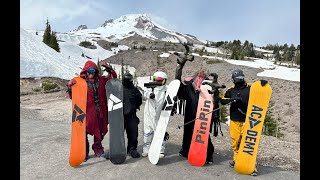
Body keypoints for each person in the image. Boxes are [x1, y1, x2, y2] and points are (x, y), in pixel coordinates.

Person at [174, 49, 220, 164]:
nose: (199, 79)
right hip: (190, 115)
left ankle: (208, 155)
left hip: (203, 116)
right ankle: (186, 151)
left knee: (203, 135)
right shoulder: (189, 89)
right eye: (198, 78)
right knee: (188, 133)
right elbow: (177, 86)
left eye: (202, 78)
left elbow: (215, 101)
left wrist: (214, 114)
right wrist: (179, 67)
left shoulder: (208, 89)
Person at [220, 69, 268, 176]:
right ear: (233, 80)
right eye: (237, 79)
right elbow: (222, 100)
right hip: (235, 120)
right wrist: (232, 99)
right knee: (235, 142)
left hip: (248, 120)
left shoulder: (250, 87)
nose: (239, 81)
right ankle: (237, 160)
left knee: (248, 143)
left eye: (240, 79)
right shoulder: (231, 90)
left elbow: (259, 89)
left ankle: (252, 167)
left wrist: (263, 84)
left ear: (243, 77)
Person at [67, 60, 117, 161]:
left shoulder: (102, 81)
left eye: (93, 71)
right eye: (89, 71)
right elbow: (73, 97)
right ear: (85, 71)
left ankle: (98, 150)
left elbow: (113, 79)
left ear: (96, 71)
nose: (91, 73)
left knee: (100, 131)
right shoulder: (80, 83)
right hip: (87, 113)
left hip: (100, 111)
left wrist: (108, 68)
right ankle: (83, 153)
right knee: (83, 132)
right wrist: (70, 87)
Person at [142, 71, 169, 158]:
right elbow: (144, 92)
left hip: (160, 116)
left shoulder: (166, 90)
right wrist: (150, 94)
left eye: (159, 80)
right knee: (147, 133)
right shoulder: (150, 87)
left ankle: (160, 150)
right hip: (149, 115)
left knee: (160, 132)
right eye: (155, 79)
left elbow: (171, 100)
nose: (157, 81)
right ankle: (146, 149)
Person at [121, 71, 143, 158]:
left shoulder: (134, 89)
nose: (129, 81)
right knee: (118, 134)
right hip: (120, 116)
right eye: (127, 79)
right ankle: (117, 149)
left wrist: (134, 107)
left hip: (132, 115)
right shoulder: (118, 89)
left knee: (133, 133)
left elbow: (139, 99)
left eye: (130, 79)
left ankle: (132, 149)